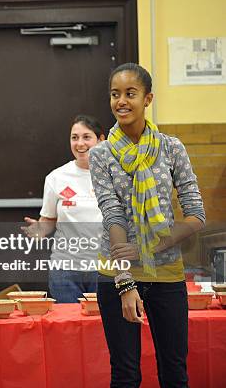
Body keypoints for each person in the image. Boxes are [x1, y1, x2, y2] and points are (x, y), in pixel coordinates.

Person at [88, 63, 205, 387]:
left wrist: (147, 247)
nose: (121, 101)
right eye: (115, 94)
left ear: (148, 98)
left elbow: (196, 215)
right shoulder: (102, 154)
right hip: (116, 275)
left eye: (130, 93)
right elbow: (112, 212)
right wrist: (126, 281)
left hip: (166, 273)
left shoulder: (171, 148)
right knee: (126, 375)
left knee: (174, 372)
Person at [23, 115, 105, 302]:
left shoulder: (114, 176)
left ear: (101, 140)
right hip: (65, 271)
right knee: (68, 328)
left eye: (86, 137)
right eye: (74, 137)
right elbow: (49, 220)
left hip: (105, 270)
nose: (80, 143)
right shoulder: (56, 177)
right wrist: (40, 229)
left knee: (103, 329)